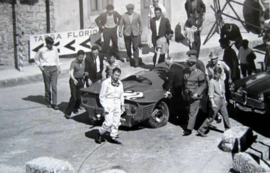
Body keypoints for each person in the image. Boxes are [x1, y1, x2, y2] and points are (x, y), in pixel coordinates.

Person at [197, 67, 231, 137]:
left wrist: (225, 100)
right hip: (215, 101)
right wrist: (212, 104)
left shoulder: (221, 81)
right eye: (215, 74)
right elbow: (211, 94)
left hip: (221, 100)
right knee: (211, 117)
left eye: (218, 74)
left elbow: (223, 92)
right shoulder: (212, 82)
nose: (216, 75)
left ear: (220, 74)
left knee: (226, 115)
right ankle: (201, 130)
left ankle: (228, 129)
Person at [95, 67, 125, 145]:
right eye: (115, 75)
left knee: (116, 121)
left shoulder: (120, 83)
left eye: (118, 75)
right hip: (109, 102)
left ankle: (113, 136)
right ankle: (100, 133)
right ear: (112, 74)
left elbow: (122, 94)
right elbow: (101, 96)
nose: (117, 77)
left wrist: (122, 104)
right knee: (109, 122)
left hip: (117, 103)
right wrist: (105, 106)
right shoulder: (106, 83)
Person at [34, 36, 61, 110]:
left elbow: (57, 58)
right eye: (50, 44)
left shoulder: (55, 49)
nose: (51, 46)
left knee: (54, 87)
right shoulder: (42, 50)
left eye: (52, 44)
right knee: (47, 87)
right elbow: (35, 58)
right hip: (46, 68)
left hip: (54, 68)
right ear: (47, 43)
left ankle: (55, 103)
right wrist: (41, 67)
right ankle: (48, 101)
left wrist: (59, 67)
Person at [183, 55, 207, 136]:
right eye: (189, 64)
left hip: (195, 96)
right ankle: (195, 123)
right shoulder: (185, 71)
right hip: (187, 95)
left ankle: (189, 129)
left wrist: (197, 93)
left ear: (195, 64)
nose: (190, 66)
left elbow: (203, 85)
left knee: (192, 112)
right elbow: (184, 83)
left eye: (192, 64)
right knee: (191, 110)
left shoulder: (200, 74)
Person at [64, 50, 87, 119]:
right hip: (74, 81)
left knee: (79, 97)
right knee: (74, 96)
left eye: (82, 57)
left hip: (81, 80)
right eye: (80, 57)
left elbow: (85, 71)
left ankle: (76, 108)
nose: (81, 58)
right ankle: (68, 112)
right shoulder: (73, 63)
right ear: (77, 56)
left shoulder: (84, 62)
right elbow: (71, 73)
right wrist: (74, 80)